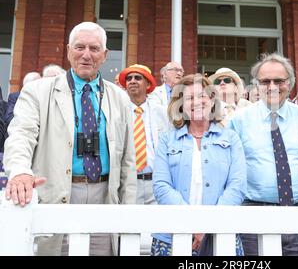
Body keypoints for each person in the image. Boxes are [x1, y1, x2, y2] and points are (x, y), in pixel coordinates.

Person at [3, 22, 136, 256]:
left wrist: (129, 213)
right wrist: (20, 170)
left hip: (105, 197)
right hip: (56, 194)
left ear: (104, 55)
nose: (86, 55)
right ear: (68, 51)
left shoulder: (120, 98)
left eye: (94, 49)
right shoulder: (37, 92)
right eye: (79, 47)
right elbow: (21, 135)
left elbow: (128, 160)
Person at [228, 53, 298, 256]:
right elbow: (231, 169)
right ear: (256, 85)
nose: (272, 86)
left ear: (290, 83)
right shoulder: (239, 120)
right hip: (254, 217)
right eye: (265, 81)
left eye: (279, 81)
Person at [151, 74, 247, 256]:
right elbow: (161, 186)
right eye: (189, 98)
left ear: (212, 100)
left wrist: (208, 226)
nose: (197, 102)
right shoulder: (166, 140)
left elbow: (237, 186)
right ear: (180, 105)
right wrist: (192, 224)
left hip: (220, 235)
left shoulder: (231, 138)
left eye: (202, 96)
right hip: (172, 235)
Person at [119, 64, 170, 205]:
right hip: (128, 182)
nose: (132, 81)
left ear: (148, 84)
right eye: (129, 79)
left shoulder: (162, 113)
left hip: (156, 182)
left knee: (156, 225)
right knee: (129, 226)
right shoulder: (118, 113)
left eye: (138, 78)